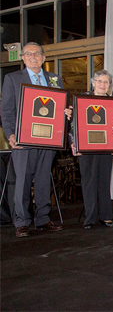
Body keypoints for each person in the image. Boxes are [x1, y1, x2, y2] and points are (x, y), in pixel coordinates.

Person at [1, 42, 65, 237]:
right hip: (23, 138)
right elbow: (7, 110)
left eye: (37, 54)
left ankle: (43, 218)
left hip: (48, 138)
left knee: (44, 178)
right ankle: (21, 221)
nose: (33, 57)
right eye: (28, 54)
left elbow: (59, 106)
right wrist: (11, 134)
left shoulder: (54, 79)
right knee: (23, 180)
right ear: (23, 58)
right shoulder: (12, 78)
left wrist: (66, 112)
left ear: (44, 58)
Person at [69, 70, 113, 230]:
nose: (102, 85)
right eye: (99, 81)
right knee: (88, 183)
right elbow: (73, 124)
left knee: (104, 182)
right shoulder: (82, 99)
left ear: (109, 85)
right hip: (85, 148)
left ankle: (106, 217)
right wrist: (73, 143)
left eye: (106, 82)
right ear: (93, 82)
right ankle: (90, 219)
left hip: (105, 147)